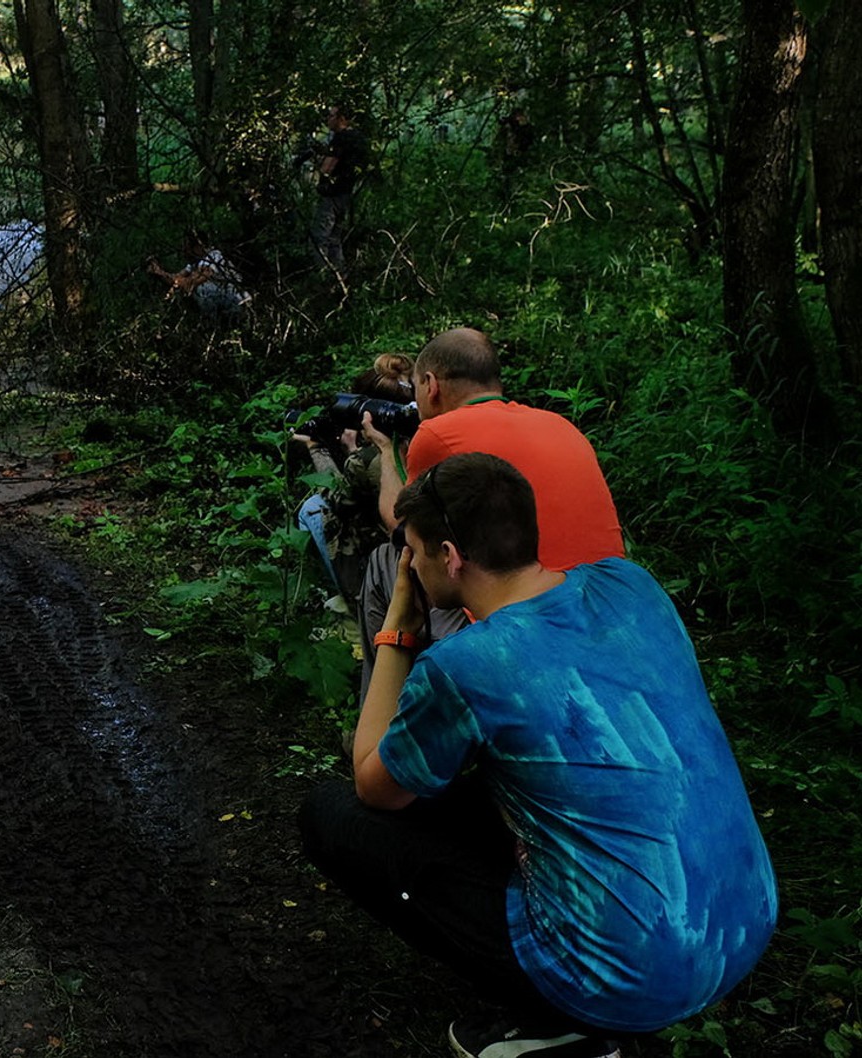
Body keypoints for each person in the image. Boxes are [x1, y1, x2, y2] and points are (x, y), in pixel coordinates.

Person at [300, 452, 776, 1058]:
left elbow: (374, 784)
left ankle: (558, 1024)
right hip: (741, 926)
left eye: (414, 551)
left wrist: (397, 630)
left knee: (333, 814)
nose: (409, 564)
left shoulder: (467, 664)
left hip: (627, 980)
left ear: (449, 557)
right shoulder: (631, 585)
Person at [352, 327, 623, 706]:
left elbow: (402, 527)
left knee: (390, 559)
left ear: (430, 385)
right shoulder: (562, 425)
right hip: (605, 608)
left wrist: (385, 450)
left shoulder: (438, 432)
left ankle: (384, 716)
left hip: (521, 623)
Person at [291, 353, 415, 601]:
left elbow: (336, 499)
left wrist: (317, 449)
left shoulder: (366, 461)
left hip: (393, 564)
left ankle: (352, 599)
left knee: (313, 507)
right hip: (429, 555)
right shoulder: (424, 439)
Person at [310, 104, 368, 273]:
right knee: (335, 238)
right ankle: (339, 274)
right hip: (347, 193)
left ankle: (322, 276)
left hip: (332, 194)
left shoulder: (341, 138)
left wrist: (319, 163)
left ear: (341, 118)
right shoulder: (358, 138)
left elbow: (327, 168)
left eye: (331, 116)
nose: (328, 119)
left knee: (320, 238)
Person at [145, 230, 248, 318]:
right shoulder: (194, 264)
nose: (185, 250)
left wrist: (183, 284)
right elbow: (177, 279)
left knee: (199, 290)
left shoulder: (214, 256)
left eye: (188, 246)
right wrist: (159, 273)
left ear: (198, 246)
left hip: (237, 301)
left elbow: (197, 280)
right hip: (225, 304)